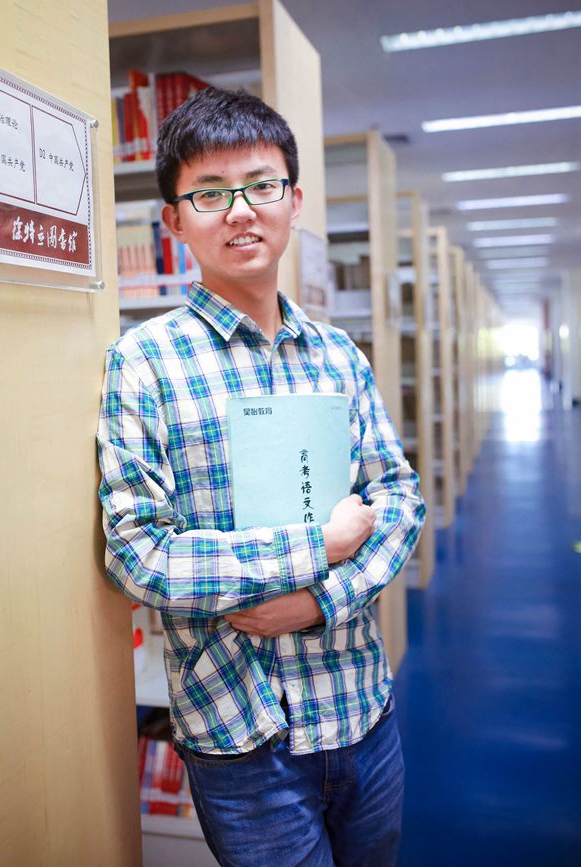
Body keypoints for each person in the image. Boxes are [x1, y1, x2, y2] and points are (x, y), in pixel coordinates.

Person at [97, 86, 425, 867]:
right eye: (209, 193)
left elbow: (399, 500)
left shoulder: (339, 355)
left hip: (360, 707)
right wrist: (316, 546)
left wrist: (316, 602)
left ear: (294, 201)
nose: (240, 211)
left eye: (261, 185)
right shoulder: (142, 364)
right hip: (240, 738)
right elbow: (139, 555)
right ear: (174, 221)